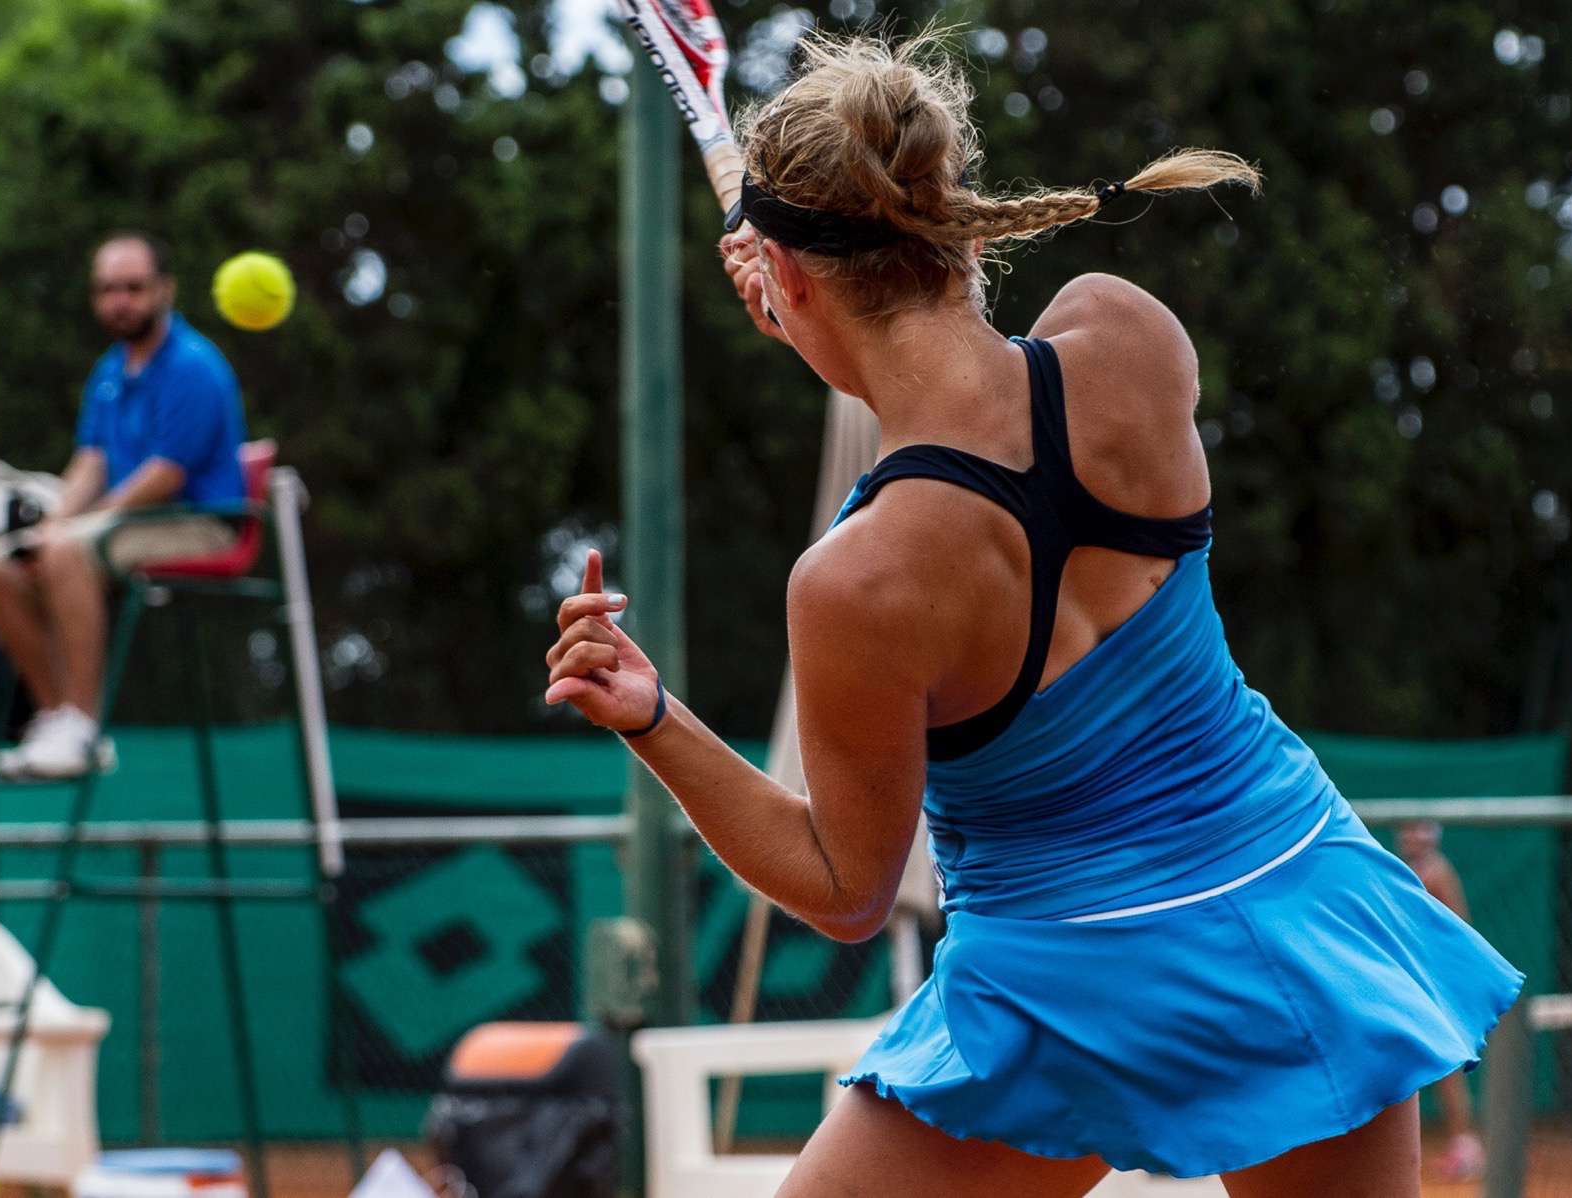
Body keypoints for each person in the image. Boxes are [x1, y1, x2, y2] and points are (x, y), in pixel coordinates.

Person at [544, 34, 1519, 1197]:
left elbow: (848, 890)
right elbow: (980, 418)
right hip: (1297, 896)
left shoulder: (860, 580)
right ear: (943, 215)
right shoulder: (1129, 337)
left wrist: (654, 717)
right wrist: (829, 324)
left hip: (1070, 972)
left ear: (789, 281)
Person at [0, 233, 246, 778]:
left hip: (202, 524)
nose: (119, 301)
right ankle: (56, 720)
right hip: (131, 523)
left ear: (164, 289)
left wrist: (79, 528)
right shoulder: (108, 373)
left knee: (67, 553)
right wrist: (52, 523)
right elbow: (90, 463)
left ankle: (82, 723)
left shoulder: (194, 365)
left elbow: (165, 476)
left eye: (133, 288)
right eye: (106, 290)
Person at [1398, 819, 1488, 1181]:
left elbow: (1456, 924)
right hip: (1420, 981)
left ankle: (1465, 1147)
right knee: (1432, 1067)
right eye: (1407, 830)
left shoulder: (1436, 870)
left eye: (1419, 830)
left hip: (1438, 981)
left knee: (1449, 1070)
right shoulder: (1411, 870)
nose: (1412, 837)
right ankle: (1460, 1145)